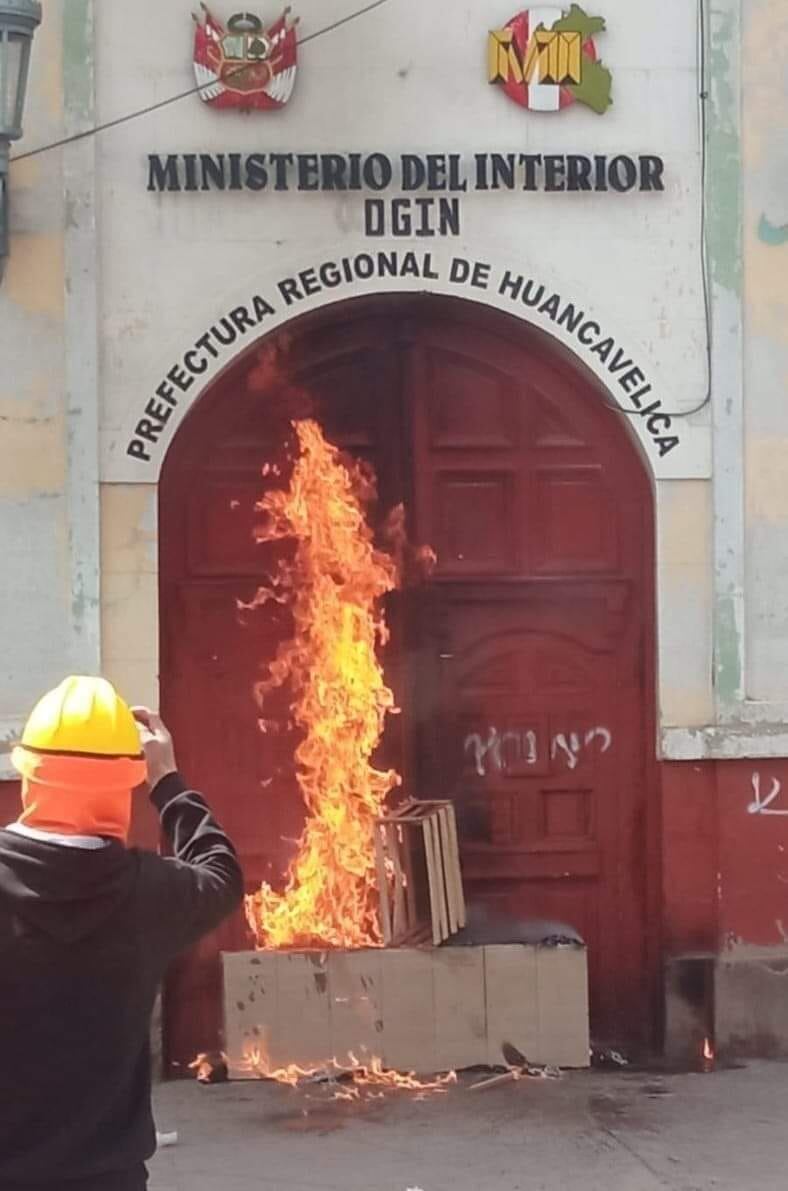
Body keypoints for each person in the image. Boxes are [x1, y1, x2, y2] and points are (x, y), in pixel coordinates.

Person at [0, 676, 244, 1191]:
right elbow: (220, 873)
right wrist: (168, 780)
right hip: (107, 1178)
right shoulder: (150, 894)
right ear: (125, 788)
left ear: (28, 775)